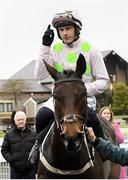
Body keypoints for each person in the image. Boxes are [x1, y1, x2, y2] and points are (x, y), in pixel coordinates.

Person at [30, 10, 110, 163]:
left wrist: (86, 89)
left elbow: (104, 80)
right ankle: (37, 146)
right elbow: (39, 76)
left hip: (82, 97)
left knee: (93, 118)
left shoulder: (91, 49)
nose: (64, 33)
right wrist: (44, 47)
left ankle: (104, 150)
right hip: (60, 99)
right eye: (61, 30)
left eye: (68, 29)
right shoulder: (53, 49)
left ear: (76, 29)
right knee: (41, 116)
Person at [1, 111, 37, 179]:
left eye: (22, 119)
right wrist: (11, 159)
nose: (21, 121)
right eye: (18, 120)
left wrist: (33, 161)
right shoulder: (9, 135)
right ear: (15, 121)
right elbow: (4, 150)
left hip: (30, 170)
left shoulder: (34, 134)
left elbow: (37, 149)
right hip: (15, 171)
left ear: (25, 120)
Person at [99, 106, 126, 179]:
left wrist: (112, 129)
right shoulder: (97, 125)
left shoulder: (115, 125)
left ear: (111, 115)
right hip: (101, 154)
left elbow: (121, 140)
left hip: (114, 152)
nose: (106, 115)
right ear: (100, 115)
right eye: (104, 113)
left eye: (108, 113)